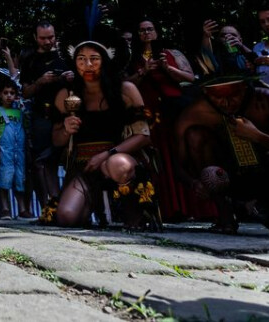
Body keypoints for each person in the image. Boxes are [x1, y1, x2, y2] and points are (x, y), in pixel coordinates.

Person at [175, 76, 269, 236]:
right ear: (206, 92)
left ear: (244, 88)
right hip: (228, 177)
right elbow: (179, 165)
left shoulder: (265, 100)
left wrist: (259, 137)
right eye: (218, 97)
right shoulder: (193, 113)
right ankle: (225, 212)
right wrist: (194, 183)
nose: (226, 103)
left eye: (233, 96)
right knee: (195, 135)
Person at [52, 40, 156, 229]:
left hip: (119, 159)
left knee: (118, 164)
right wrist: (66, 130)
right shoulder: (67, 95)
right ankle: (94, 207)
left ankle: (135, 215)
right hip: (84, 166)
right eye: (81, 59)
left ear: (106, 61)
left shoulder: (125, 90)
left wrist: (106, 155)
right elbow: (57, 141)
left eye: (94, 59)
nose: (88, 65)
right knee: (66, 217)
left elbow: (143, 136)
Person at [126, 19, 199, 221]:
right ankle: (167, 209)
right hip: (148, 113)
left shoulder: (172, 53)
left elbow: (190, 78)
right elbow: (124, 85)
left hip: (175, 110)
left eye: (150, 29)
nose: (146, 33)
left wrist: (168, 69)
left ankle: (193, 207)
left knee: (181, 154)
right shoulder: (132, 58)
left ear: (157, 32)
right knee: (158, 157)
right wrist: (144, 71)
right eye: (141, 30)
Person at [18, 22, 72, 214]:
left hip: (68, 115)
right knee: (42, 161)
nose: (48, 41)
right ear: (35, 38)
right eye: (43, 38)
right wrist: (40, 82)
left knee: (71, 159)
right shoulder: (30, 61)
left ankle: (71, 204)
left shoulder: (66, 56)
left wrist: (71, 76)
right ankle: (48, 207)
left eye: (51, 37)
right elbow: (24, 92)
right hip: (42, 117)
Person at [0, 81, 26, 219]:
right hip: (5, 151)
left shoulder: (19, 112)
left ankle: (22, 208)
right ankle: (6, 209)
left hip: (19, 152)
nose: (9, 96)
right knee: (4, 178)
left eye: (12, 93)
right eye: (6, 93)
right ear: (0, 94)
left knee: (20, 178)